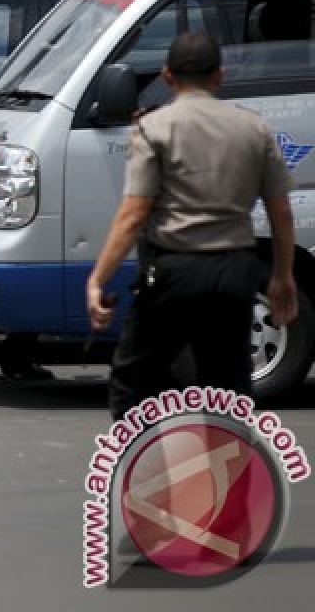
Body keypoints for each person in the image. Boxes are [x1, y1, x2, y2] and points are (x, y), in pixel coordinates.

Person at [87, 32, 298, 420]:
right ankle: (227, 476)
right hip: (235, 271)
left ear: (167, 76)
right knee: (228, 387)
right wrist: (283, 276)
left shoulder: (155, 129)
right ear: (220, 75)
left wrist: (98, 278)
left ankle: (142, 475)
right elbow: (280, 211)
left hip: (174, 272)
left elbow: (133, 214)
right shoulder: (253, 129)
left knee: (135, 380)